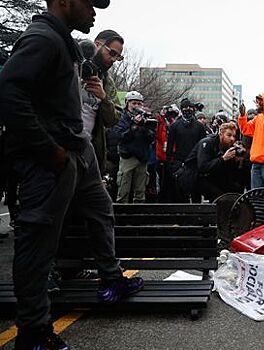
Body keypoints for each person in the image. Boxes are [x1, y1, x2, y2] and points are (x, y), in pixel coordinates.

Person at [0, 1, 143, 348]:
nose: (94, 12)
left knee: (101, 212)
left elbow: (102, 115)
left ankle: (111, 278)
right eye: (89, 3)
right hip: (52, 159)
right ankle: (34, 333)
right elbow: (8, 91)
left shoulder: (65, 44)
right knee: (38, 245)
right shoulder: (43, 38)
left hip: (81, 154)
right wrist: (49, 150)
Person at [79, 29, 124, 174]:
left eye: (118, 57)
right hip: (61, 146)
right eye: (112, 53)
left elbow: (114, 118)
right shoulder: (71, 63)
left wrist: (103, 98)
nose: (113, 60)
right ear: (97, 45)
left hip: (90, 152)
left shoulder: (107, 80)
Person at [115, 94, 155, 203]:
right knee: (123, 189)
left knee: (140, 192)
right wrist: (134, 126)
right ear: (127, 103)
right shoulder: (122, 117)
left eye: (139, 103)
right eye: (133, 103)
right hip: (127, 156)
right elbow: (120, 136)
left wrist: (144, 126)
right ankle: (122, 213)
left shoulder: (146, 118)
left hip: (142, 157)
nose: (136, 106)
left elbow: (152, 137)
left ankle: (139, 214)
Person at [191, 122, 245, 201]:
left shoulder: (228, 146)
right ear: (221, 134)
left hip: (211, 176)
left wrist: (238, 161)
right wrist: (223, 159)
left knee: (235, 191)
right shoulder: (207, 143)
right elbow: (203, 167)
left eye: (234, 136)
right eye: (229, 135)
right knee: (220, 196)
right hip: (194, 176)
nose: (232, 139)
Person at [166, 98, 207, 202]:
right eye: (185, 108)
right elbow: (170, 146)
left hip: (195, 162)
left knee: (196, 192)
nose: (188, 110)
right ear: (181, 110)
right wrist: (169, 163)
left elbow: (202, 145)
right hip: (179, 161)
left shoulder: (199, 126)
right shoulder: (174, 126)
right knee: (180, 191)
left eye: (190, 108)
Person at [155, 104, 179, 202]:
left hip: (172, 158)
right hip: (161, 157)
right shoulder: (160, 122)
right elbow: (158, 135)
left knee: (171, 183)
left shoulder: (175, 123)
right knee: (161, 182)